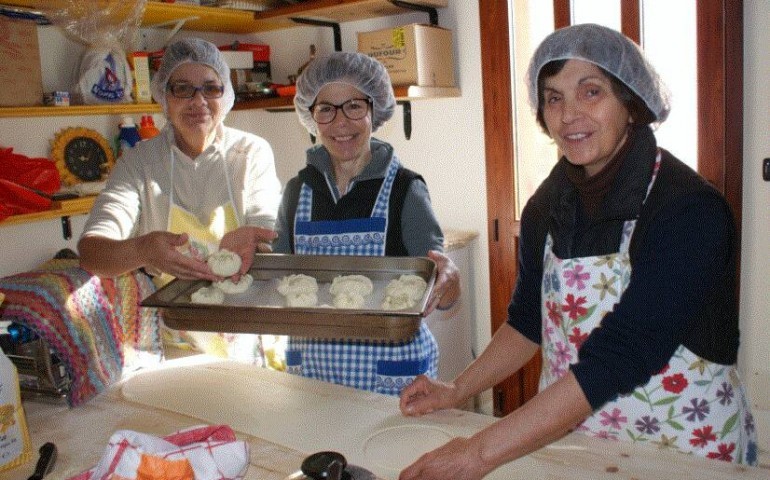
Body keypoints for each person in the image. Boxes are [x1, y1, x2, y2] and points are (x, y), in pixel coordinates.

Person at [398, 23, 757, 479]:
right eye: (553, 98)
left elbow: (626, 351)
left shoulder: (687, 209)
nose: (569, 115)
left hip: (681, 451)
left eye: (591, 92)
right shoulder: (546, 207)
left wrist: (479, 452)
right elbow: (527, 323)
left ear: (629, 102)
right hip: (577, 446)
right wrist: (455, 388)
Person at [78, 38, 282, 362]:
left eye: (210, 88)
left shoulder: (250, 153)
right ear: (164, 97)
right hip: (174, 339)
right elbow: (92, 253)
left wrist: (253, 235)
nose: (198, 100)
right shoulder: (139, 163)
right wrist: (143, 249)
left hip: (245, 326)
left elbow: (266, 226)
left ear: (225, 94)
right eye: (183, 89)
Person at [272, 51, 460, 395]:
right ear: (310, 118)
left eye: (354, 106)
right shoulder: (297, 191)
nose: (341, 122)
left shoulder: (405, 190)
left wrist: (451, 281)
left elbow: (443, 294)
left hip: (391, 377)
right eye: (326, 109)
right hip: (313, 375)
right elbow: (275, 281)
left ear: (375, 110)